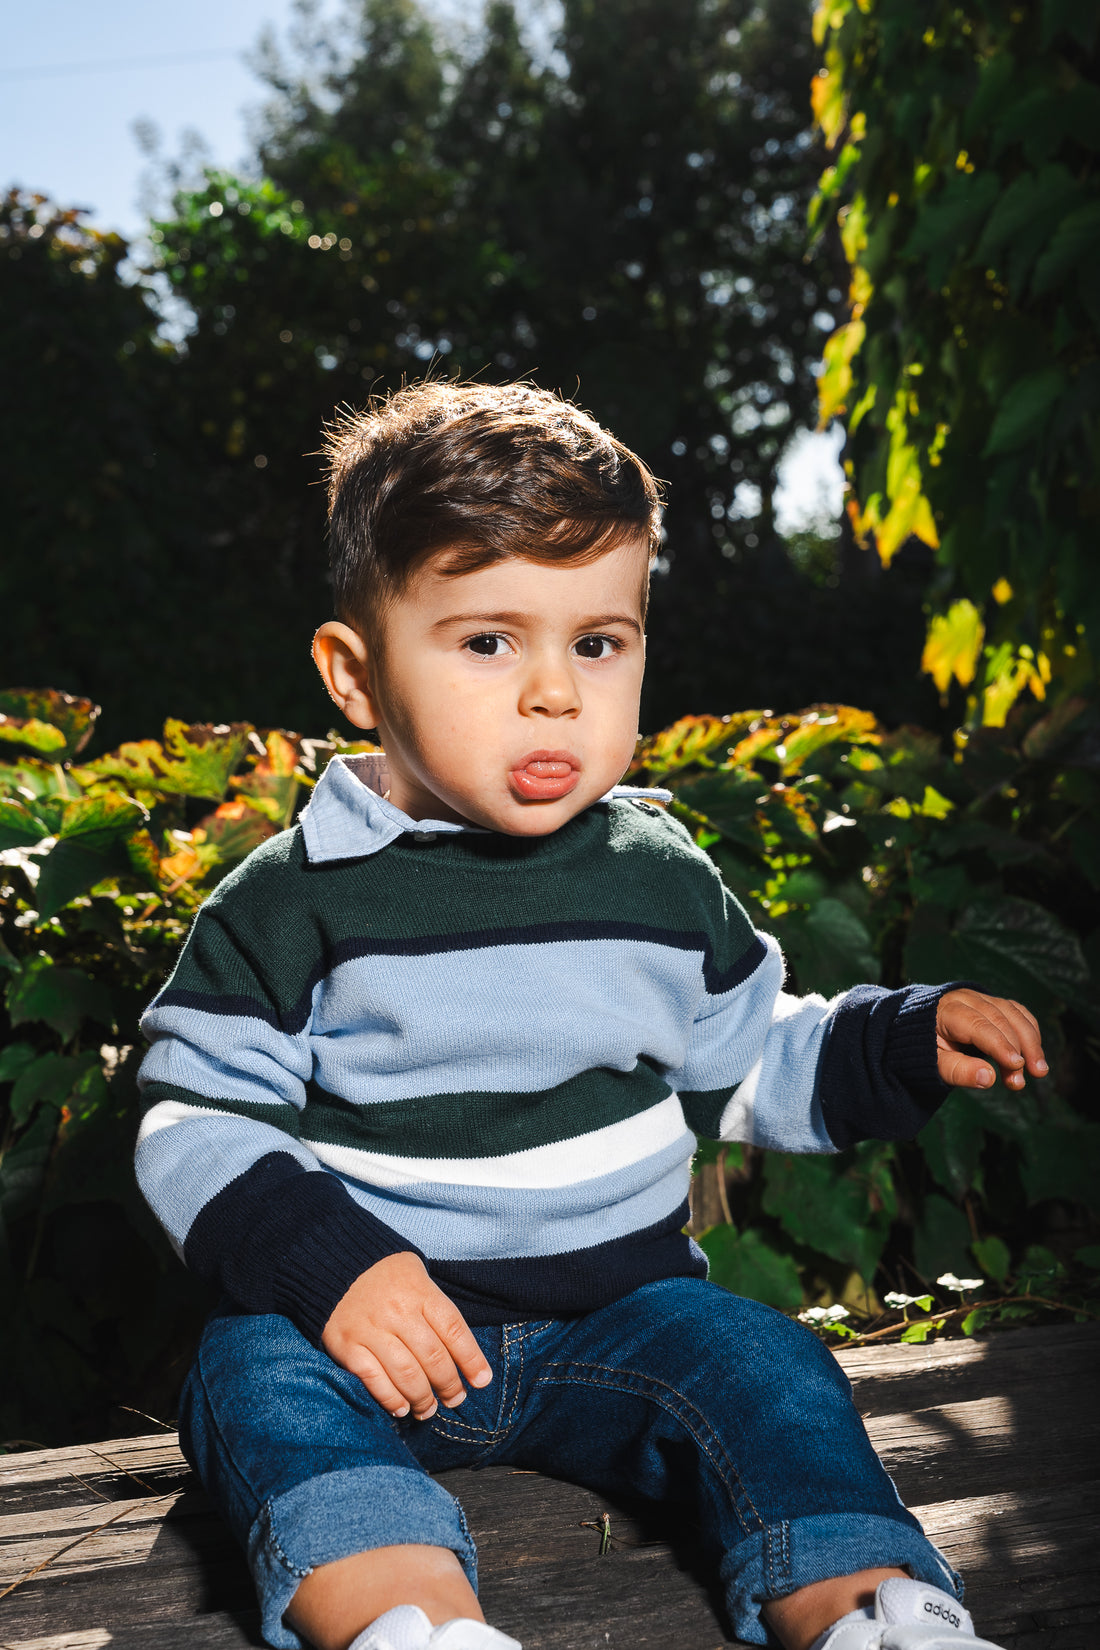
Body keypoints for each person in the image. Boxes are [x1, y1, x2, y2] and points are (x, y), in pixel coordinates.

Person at [135, 381, 1046, 1650]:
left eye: (597, 642)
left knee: (762, 1364)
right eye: (487, 642)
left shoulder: (655, 875)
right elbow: (193, 1120)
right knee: (251, 1384)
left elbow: (747, 1060)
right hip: (370, 1336)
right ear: (355, 674)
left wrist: (893, 1036)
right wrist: (332, 1273)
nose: (554, 693)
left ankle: (865, 1610)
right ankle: (409, 1619)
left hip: (622, 1326)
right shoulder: (293, 902)